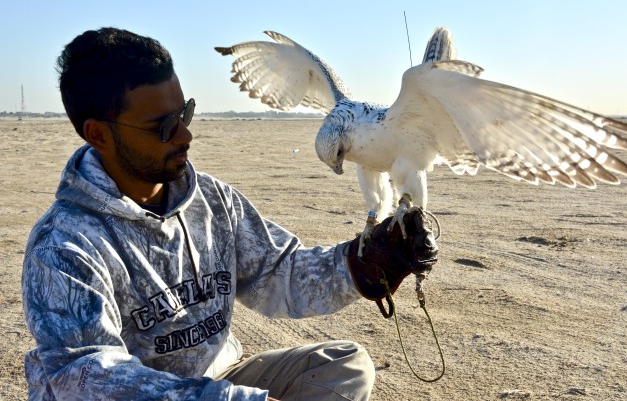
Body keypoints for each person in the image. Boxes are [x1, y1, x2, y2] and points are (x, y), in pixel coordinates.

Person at [22, 27, 437, 401]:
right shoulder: (64, 246)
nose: (186, 134)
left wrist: (361, 263)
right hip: (147, 395)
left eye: (184, 113)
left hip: (220, 377)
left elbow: (280, 274)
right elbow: (90, 379)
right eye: (163, 126)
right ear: (98, 133)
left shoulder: (213, 202)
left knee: (345, 365)